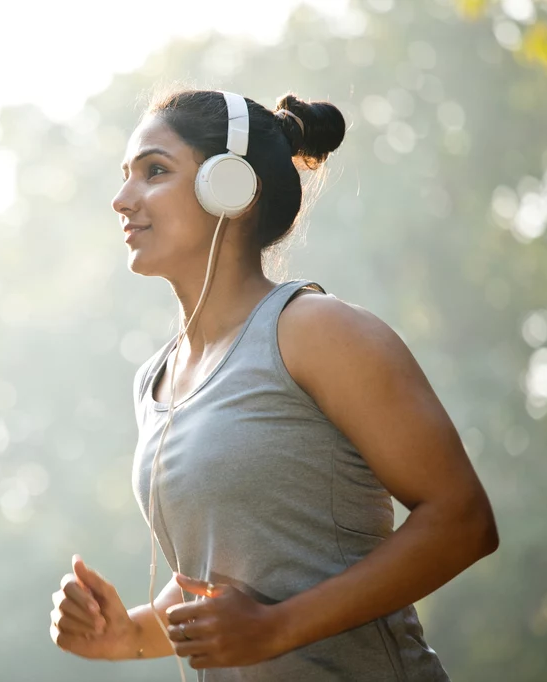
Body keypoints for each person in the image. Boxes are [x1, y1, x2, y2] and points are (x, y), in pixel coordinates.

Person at [48, 86, 499, 681]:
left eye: (154, 171)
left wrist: (276, 629)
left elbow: (463, 520)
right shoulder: (154, 381)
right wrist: (125, 634)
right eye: (125, 175)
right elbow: (228, 585)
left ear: (228, 185)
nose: (121, 199)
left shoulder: (317, 331)